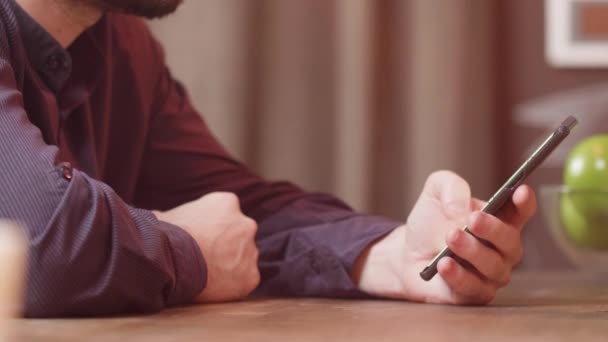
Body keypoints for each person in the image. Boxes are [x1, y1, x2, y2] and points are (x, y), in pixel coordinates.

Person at [0, 0, 536, 317]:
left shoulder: (123, 49)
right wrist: (192, 253)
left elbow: (241, 214)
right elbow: (41, 244)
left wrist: (393, 256)